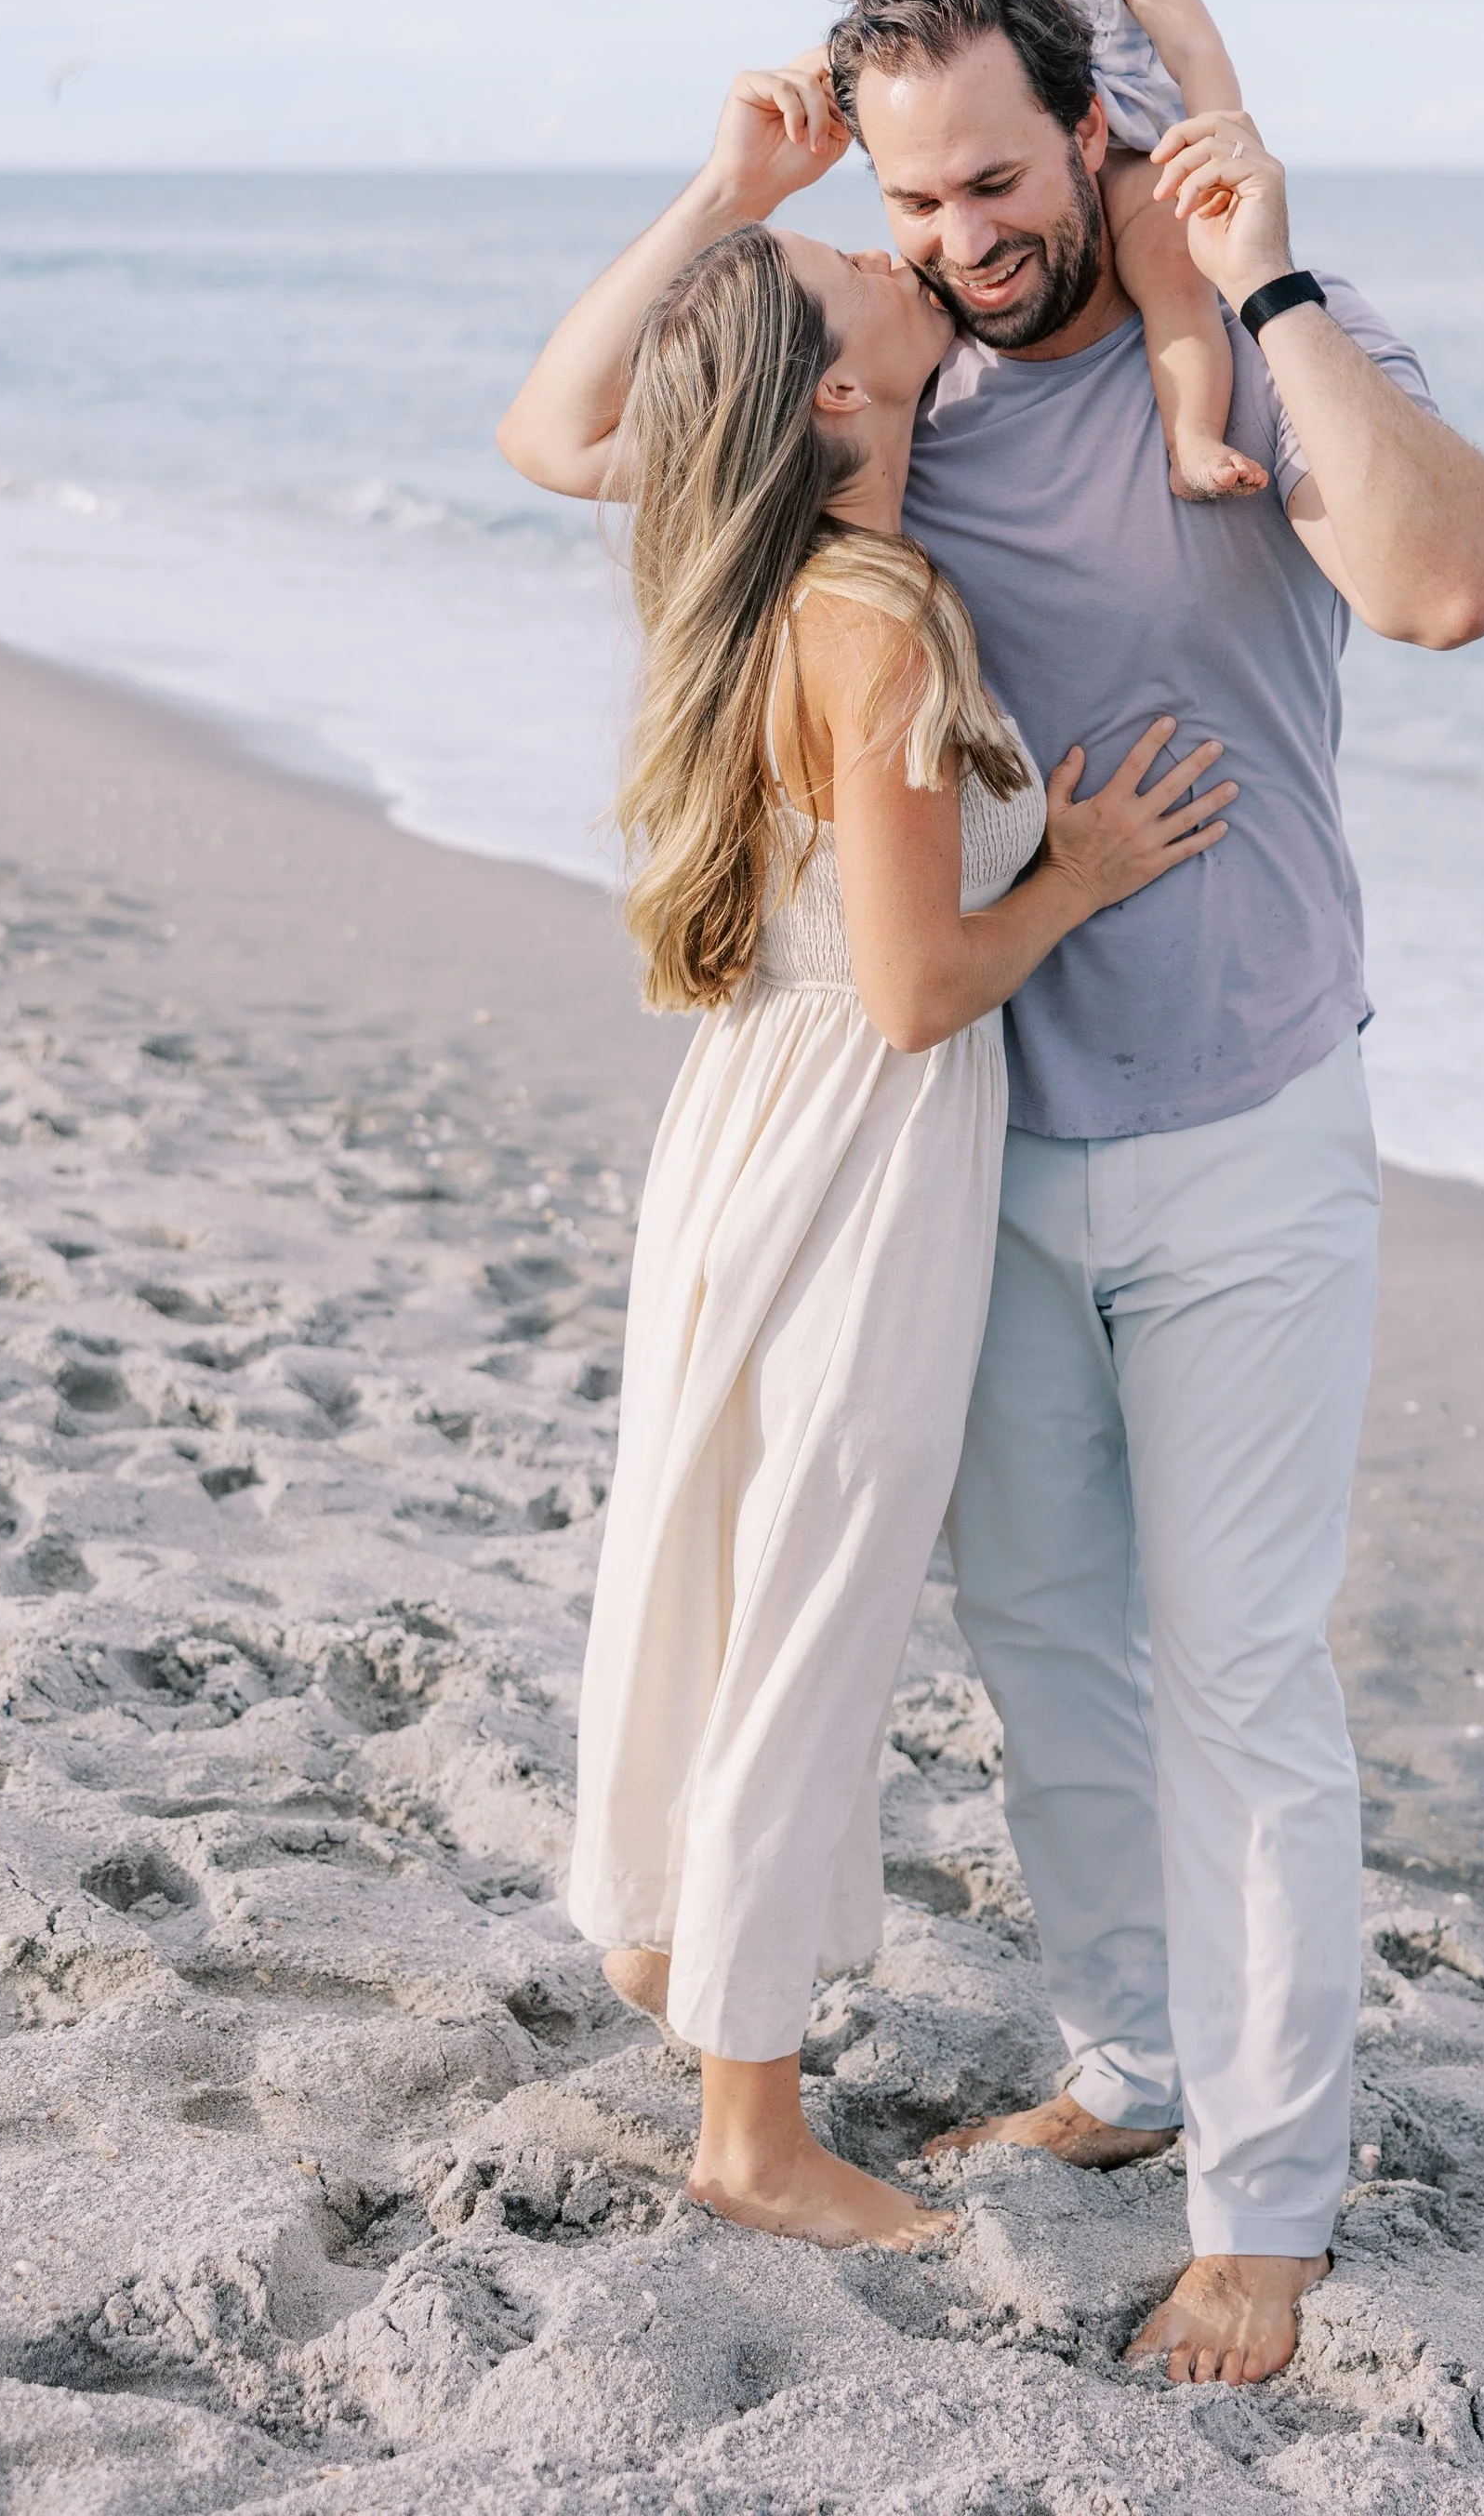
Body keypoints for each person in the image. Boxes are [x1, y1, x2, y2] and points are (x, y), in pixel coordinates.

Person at [505, 0, 1484, 2384]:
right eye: (913, 189)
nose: (963, 225)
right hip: (977, 1159)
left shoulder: (1243, 350)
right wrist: (726, 188)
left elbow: (1448, 581)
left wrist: (1259, 260)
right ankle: (1132, 2061)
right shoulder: (904, 392)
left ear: (1094, 125)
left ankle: (1261, 2191)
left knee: (1241, 1667)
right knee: (1054, 1647)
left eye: (996, 170)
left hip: (1248, 1113)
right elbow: (565, 439)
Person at [500, 216, 1232, 2253]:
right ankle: (748, 2129)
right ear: (836, 389)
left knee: (727, 1568)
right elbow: (920, 988)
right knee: (809, 1602)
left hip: (758, 1121)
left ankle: (683, 1956)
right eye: (851, 266)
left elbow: (548, 426)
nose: (895, 250)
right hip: (861, 1141)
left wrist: (727, 182)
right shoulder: (873, 617)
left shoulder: (753, 568)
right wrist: (1077, 870)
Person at [903, 0, 1263, 507]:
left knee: (1175, 270)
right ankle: (916, 442)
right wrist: (809, 73)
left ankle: (1195, 439)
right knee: (927, 289)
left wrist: (1223, 136)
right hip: (997, 170)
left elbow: (1194, 44)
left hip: (1127, 153)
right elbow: (893, 44)